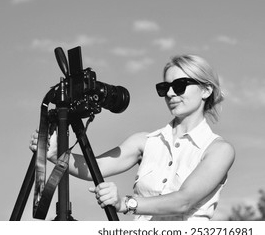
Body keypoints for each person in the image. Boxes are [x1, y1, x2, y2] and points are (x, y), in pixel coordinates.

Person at [30, 54, 235, 221]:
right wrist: (57, 154)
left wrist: (125, 203)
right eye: (164, 88)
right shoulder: (144, 141)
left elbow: (184, 201)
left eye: (180, 85)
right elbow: (95, 168)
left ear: (206, 90)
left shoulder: (218, 150)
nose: (170, 93)